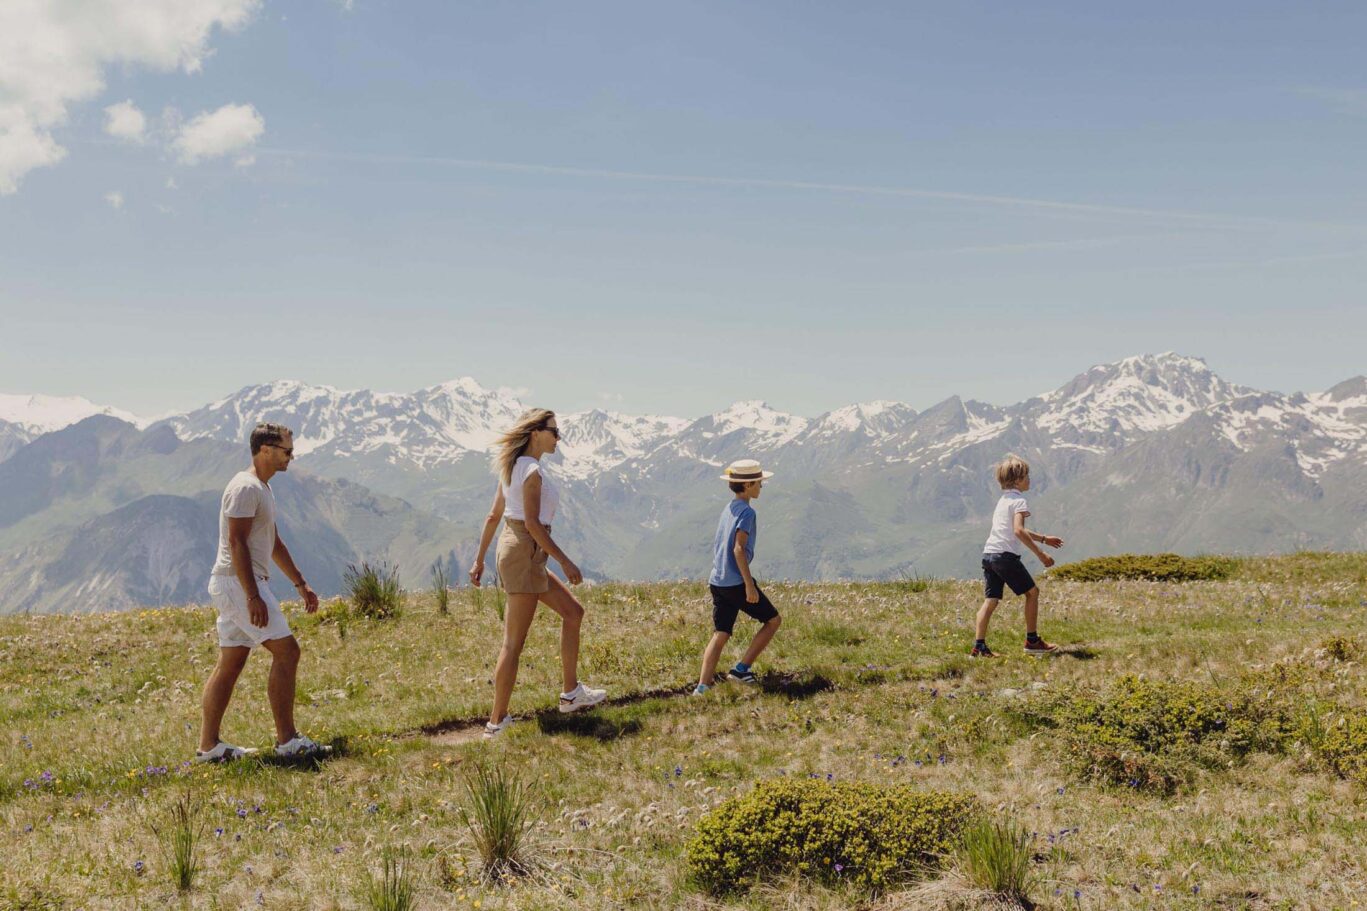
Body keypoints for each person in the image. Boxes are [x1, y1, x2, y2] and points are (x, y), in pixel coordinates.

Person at [196, 422, 330, 761]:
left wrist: (300, 583)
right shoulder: (245, 488)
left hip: (236, 583)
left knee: (231, 661)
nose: (292, 457)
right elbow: (237, 542)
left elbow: (272, 541)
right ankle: (287, 741)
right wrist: (253, 595)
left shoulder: (262, 488)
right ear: (266, 450)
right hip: (238, 583)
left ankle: (209, 747)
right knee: (288, 652)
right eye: (287, 451)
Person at [470, 409, 605, 737]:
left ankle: (571, 694)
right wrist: (566, 562)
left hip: (518, 549)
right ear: (535, 433)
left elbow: (493, 516)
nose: (558, 438)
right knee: (513, 643)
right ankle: (496, 723)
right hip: (526, 551)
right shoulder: (530, 471)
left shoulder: (511, 468)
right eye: (554, 432)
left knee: (573, 612)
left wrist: (479, 560)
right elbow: (531, 523)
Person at [693, 459, 782, 695]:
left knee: (721, 632)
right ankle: (742, 670)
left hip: (718, 580)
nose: (762, 486)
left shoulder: (729, 508)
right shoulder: (748, 512)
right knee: (773, 621)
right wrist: (749, 586)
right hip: (735, 582)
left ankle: (702, 686)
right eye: (759, 483)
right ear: (748, 484)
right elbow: (738, 549)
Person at [972, 454, 1063, 657]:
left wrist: (1043, 538)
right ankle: (1032, 641)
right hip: (1005, 556)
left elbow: (1012, 528)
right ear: (1018, 479)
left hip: (989, 555)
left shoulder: (1003, 501)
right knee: (1032, 593)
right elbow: (1018, 531)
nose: (1029, 479)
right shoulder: (1020, 501)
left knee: (991, 600)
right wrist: (1041, 554)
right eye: (1027, 476)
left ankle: (979, 647)